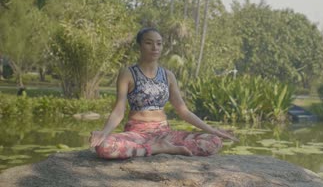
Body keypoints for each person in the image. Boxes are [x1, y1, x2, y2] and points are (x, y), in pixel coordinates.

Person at [89, 27, 238, 159]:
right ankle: (154, 149)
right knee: (105, 146)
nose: (155, 47)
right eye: (149, 43)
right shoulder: (127, 73)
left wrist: (213, 130)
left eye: (159, 43)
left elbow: (183, 111)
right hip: (137, 134)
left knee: (213, 142)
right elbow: (119, 110)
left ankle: (164, 148)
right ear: (139, 46)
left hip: (165, 134)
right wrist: (104, 132)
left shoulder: (168, 75)